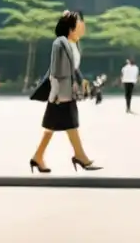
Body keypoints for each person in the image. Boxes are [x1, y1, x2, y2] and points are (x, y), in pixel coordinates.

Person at [29, 10, 101, 173]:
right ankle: (79, 156)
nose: (83, 26)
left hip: (67, 91)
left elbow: (74, 68)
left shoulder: (74, 44)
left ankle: (38, 157)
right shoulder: (59, 43)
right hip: (60, 92)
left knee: (53, 126)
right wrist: (54, 93)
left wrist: (82, 81)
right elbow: (54, 70)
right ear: (70, 26)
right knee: (70, 123)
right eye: (79, 23)